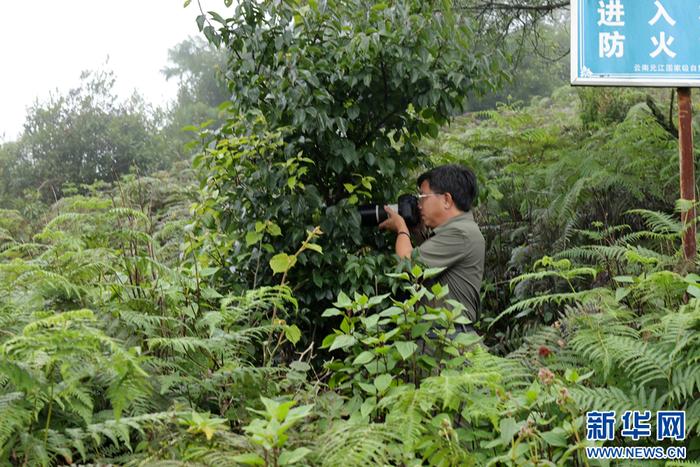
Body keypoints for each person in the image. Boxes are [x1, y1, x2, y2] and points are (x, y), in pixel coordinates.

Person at [378, 164, 485, 328]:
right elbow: (428, 261)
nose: (418, 205)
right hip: (444, 336)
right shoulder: (458, 230)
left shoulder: (461, 233)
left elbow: (408, 264)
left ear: (447, 200)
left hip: (448, 338)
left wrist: (401, 228)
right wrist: (415, 231)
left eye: (422, 197)